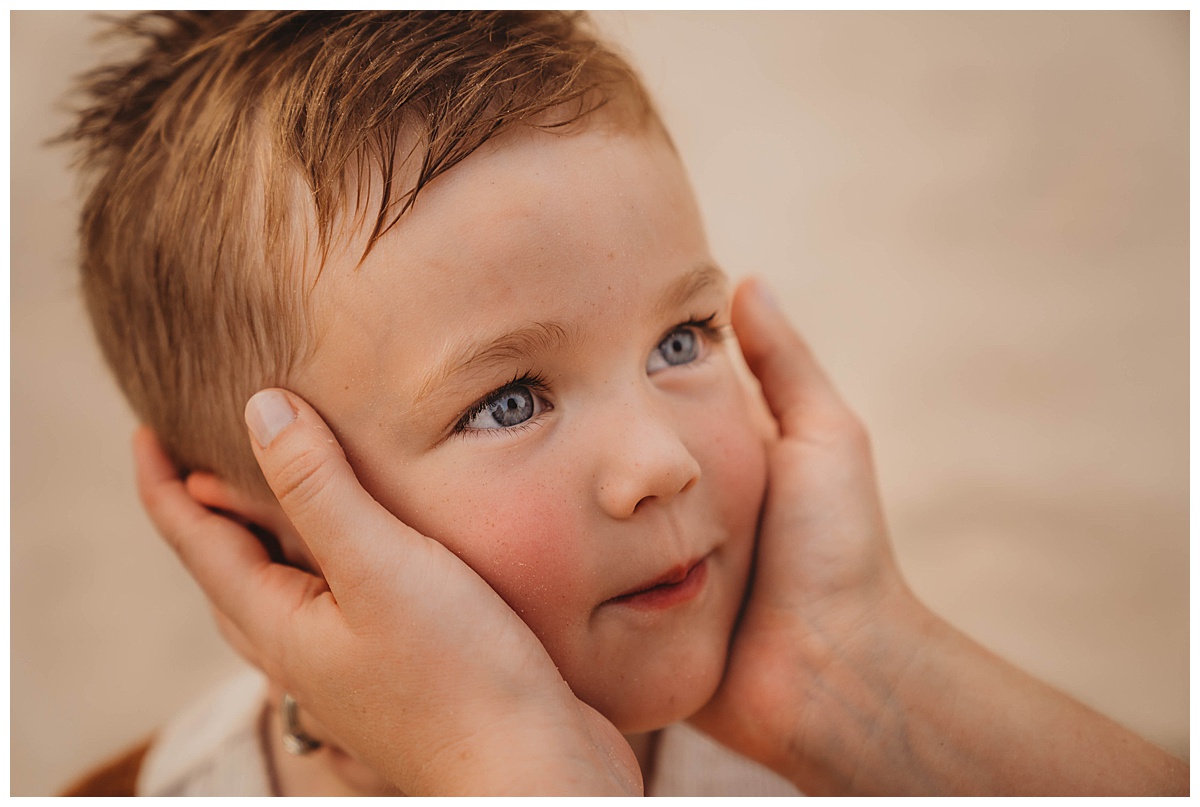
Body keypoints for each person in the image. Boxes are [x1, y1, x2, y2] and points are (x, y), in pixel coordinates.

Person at [60, 10, 1187, 797]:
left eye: (681, 339)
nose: (662, 460)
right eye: (509, 401)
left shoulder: (867, 770)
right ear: (267, 536)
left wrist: (862, 680)